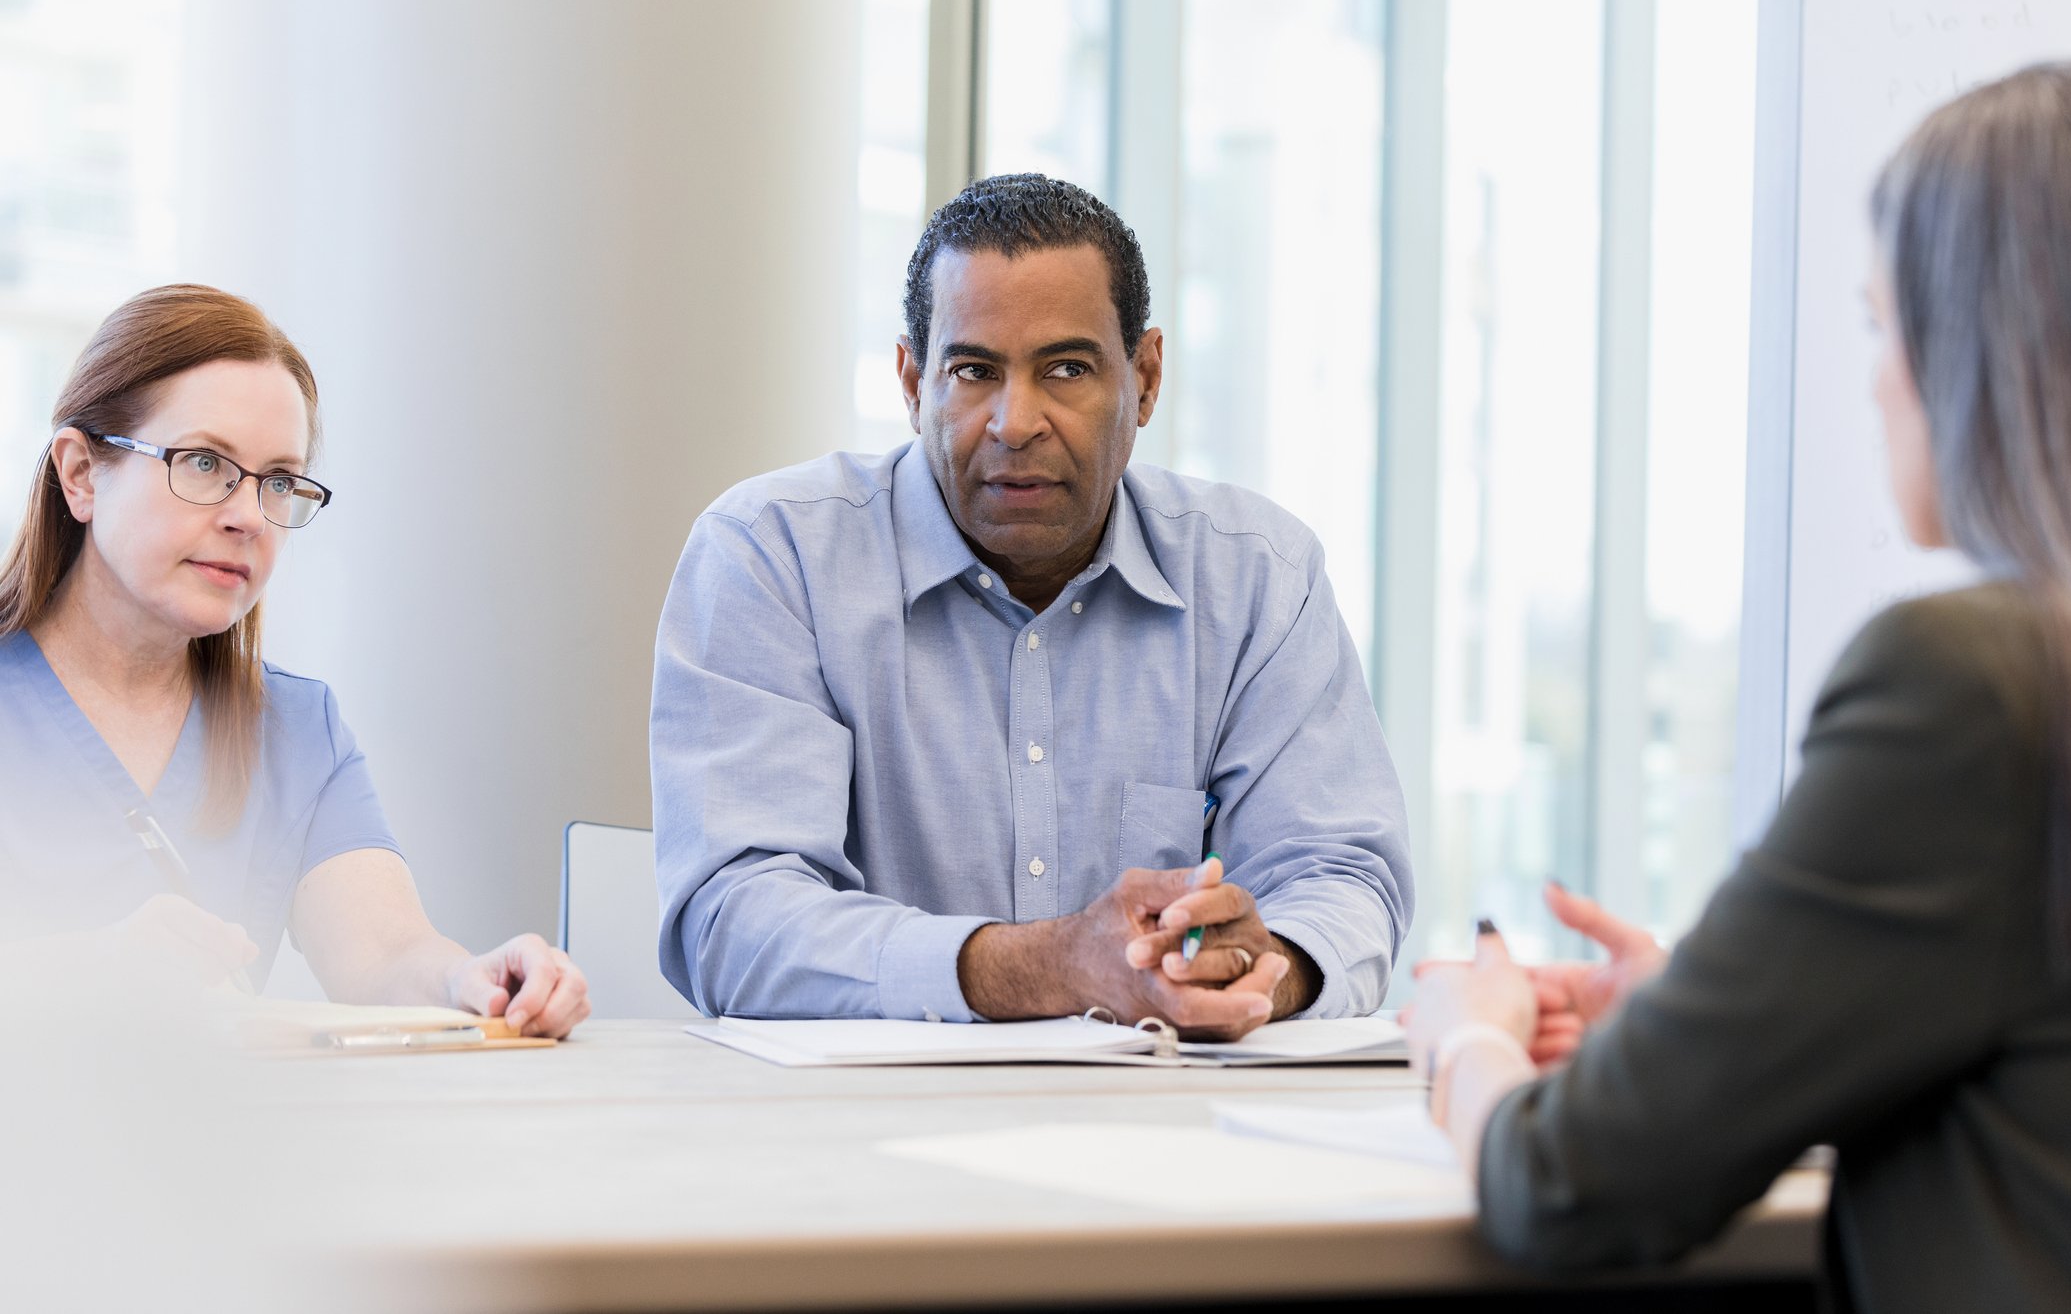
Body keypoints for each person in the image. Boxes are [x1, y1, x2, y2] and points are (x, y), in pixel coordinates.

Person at [1401, 63, 2071, 1311]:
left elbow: (1572, 1184)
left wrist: (1467, 1037)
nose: (1877, 378)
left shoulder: (1978, 683)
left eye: (1879, 322)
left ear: (1980, 352)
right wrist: (1721, 1010)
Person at [653, 173, 1411, 1038]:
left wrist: (1256, 968)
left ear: (1146, 378)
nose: (1015, 422)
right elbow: (733, 921)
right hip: (852, 1139)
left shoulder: (1256, 578)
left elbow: (1342, 875)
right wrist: (1048, 965)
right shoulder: (772, 555)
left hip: (1164, 1127)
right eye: (973, 371)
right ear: (911, 383)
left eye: (1067, 369)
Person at [0, 284, 590, 1037]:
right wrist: (85, 973)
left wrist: (472, 980)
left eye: (278, 480)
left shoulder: (296, 730)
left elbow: (382, 953)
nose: (247, 515)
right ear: (81, 473)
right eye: (205, 463)